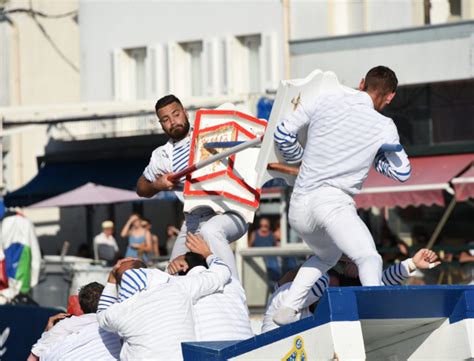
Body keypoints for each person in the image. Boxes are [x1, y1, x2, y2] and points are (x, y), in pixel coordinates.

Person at [272, 66, 411, 325]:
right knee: (369, 257)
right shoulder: (385, 125)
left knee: (328, 257)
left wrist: (299, 160)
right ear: (390, 97)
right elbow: (402, 173)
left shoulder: (324, 99)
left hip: (300, 205)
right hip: (332, 202)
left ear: (361, 83)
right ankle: (376, 318)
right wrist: (378, 158)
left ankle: (288, 308)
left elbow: (281, 134)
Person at [136, 95, 247, 277]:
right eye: (165, 119)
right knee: (171, 275)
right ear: (161, 124)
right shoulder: (161, 156)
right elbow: (141, 188)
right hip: (193, 220)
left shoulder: (210, 130)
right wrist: (158, 184)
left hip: (229, 210)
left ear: (186, 113)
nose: (173, 122)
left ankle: (235, 294)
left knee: (211, 231)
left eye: (176, 114)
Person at [96, 233, 232, 360]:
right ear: (147, 270)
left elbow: (101, 314)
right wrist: (207, 253)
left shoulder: (122, 311)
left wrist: (112, 279)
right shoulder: (177, 286)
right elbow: (221, 274)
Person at [263, 249, 440, 332]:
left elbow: (375, 287)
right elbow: (316, 278)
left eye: (334, 290)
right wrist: (350, 261)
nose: (329, 296)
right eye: (327, 290)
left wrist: (411, 264)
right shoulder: (287, 296)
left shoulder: (318, 299)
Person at [168, 239, 254, 342]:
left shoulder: (184, 286)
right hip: (249, 350)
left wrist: (170, 271)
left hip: (213, 353)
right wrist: (208, 254)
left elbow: (160, 289)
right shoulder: (234, 283)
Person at [28, 282, 121, 361]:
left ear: (80, 305)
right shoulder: (117, 326)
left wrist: (47, 332)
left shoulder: (65, 325)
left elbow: (32, 359)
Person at [248, 217, 280, 283]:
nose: (263, 227)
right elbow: (249, 247)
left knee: (274, 275)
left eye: (265, 226)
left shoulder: (272, 234)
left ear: (268, 226)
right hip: (258, 258)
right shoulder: (254, 234)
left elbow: (276, 247)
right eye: (262, 226)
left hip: (271, 259)